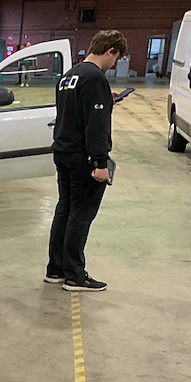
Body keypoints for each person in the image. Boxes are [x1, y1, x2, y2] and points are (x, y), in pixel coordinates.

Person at [45, 29, 128, 292]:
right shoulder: (95, 79)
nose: (114, 63)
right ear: (110, 51)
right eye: (116, 58)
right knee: (80, 215)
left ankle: (56, 269)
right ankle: (75, 275)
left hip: (63, 152)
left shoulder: (69, 76)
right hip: (84, 159)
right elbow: (96, 125)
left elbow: (74, 112)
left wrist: (106, 100)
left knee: (65, 210)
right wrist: (100, 163)